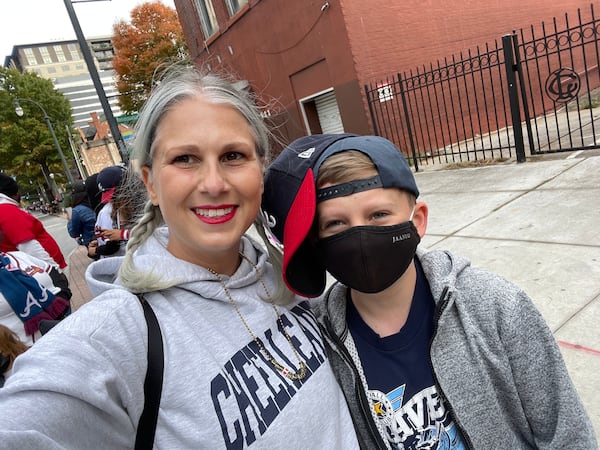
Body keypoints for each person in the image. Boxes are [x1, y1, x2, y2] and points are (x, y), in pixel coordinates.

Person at [0, 68, 360, 449]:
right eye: (186, 158)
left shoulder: (287, 275)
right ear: (151, 182)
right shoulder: (119, 335)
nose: (214, 183)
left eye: (233, 155)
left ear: (261, 170)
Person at [261, 134, 598, 449]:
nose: (360, 237)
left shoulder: (496, 307)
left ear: (418, 220)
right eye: (335, 224)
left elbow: (566, 432)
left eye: (378, 215)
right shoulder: (321, 339)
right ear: (317, 242)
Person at [0, 249, 71, 346]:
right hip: (26, 348)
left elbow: (50, 270)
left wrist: (63, 295)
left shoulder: (16, 256)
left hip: (64, 323)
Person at [0, 173, 67, 270]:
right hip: (45, 273)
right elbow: (29, 247)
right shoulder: (7, 211)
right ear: (15, 192)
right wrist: (54, 271)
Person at [87, 165, 128, 260]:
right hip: (118, 261)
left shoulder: (107, 211)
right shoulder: (108, 210)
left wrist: (95, 251)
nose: (113, 199)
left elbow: (113, 246)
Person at [66, 180, 96, 247]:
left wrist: (70, 220)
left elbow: (73, 233)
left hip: (91, 242)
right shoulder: (97, 202)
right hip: (106, 238)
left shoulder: (77, 210)